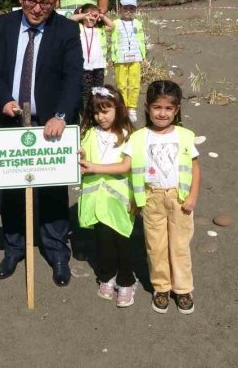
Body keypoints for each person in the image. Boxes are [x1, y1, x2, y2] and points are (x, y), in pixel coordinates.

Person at [0, 0, 83, 286]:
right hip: (9, 120)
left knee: (53, 191)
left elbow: (73, 77)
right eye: (31, 1)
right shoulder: (2, 25)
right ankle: (14, 248)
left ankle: (56, 251)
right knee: (11, 191)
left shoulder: (67, 30)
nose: (37, 9)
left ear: (56, 2)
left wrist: (61, 115)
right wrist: (3, 99)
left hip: (50, 124)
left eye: (45, 3)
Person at [83, 80, 201, 314]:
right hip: (151, 198)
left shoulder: (185, 135)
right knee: (155, 247)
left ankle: (183, 289)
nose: (162, 113)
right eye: (157, 107)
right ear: (147, 108)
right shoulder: (138, 137)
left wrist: (193, 195)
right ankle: (161, 288)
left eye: (168, 108)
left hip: (179, 199)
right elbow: (126, 165)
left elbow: (195, 167)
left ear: (176, 110)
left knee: (179, 246)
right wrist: (93, 166)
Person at [76, 85, 138, 307]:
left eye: (105, 111)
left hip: (120, 202)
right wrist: (79, 155)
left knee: (122, 242)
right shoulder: (89, 134)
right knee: (103, 242)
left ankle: (127, 280)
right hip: (97, 200)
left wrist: (94, 167)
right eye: (95, 112)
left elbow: (125, 166)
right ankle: (107, 275)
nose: (100, 117)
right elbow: (83, 154)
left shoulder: (129, 136)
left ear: (118, 109)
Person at [111, 0, 146, 122]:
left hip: (135, 57)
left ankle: (132, 107)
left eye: (131, 8)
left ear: (135, 9)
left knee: (135, 84)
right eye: (125, 8)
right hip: (120, 58)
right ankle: (123, 107)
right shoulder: (115, 23)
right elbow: (112, 38)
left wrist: (143, 56)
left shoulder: (138, 23)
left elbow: (141, 40)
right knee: (121, 84)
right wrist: (112, 56)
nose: (128, 11)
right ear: (119, 8)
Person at [70, 3, 114, 102]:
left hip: (99, 65)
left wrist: (101, 16)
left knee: (98, 91)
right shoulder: (79, 28)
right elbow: (70, 19)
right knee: (86, 91)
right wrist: (83, 15)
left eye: (94, 16)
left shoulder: (99, 29)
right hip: (84, 66)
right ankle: (86, 109)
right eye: (88, 15)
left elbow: (112, 26)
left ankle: (96, 108)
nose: (91, 18)